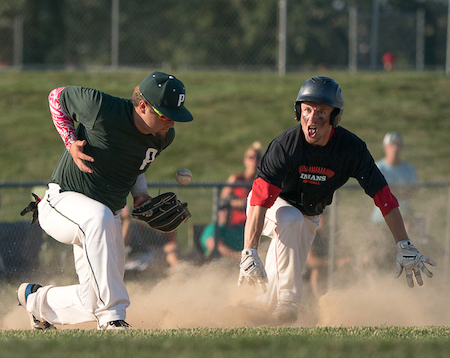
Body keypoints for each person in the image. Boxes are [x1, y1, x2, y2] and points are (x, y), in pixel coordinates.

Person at [237, 75, 436, 325]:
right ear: (298, 112)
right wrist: (249, 251)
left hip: (310, 215)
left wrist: (404, 244)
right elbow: (259, 198)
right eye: (307, 109)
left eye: (321, 111)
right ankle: (289, 301)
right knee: (289, 219)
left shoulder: (350, 149)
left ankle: (254, 311)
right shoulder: (286, 145)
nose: (311, 117)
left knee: (284, 259)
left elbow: (384, 198)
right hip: (272, 206)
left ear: (335, 117)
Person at [17, 71, 193, 330]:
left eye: (175, 116)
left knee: (94, 296)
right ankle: (113, 318)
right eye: (166, 115)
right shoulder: (102, 108)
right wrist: (69, 141)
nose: (172, 123)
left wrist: (140, 195)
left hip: (103, 216)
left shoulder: (163, 136)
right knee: (99, 227)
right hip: (63, 201)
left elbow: (135, 166)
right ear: (143, 105)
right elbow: (56, 97)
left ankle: (37, 301)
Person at [120, 205, 182, 272]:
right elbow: (122, 244)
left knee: (171, 250)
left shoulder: (134, 225)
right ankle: (178, 272)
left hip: (142, 256)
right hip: (130, 261)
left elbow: (152, 233)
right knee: (166, 255)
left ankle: (178, 271)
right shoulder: (118, 224)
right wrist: (127, 219)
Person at [219, 142, 262, 226]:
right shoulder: (236, 179)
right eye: (251, 157)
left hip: (251, 225)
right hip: (233, 226)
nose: (254, 160)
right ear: (245, 160)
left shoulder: (260, 182)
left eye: (257, 157)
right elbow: (222, 201)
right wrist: (235, 202)